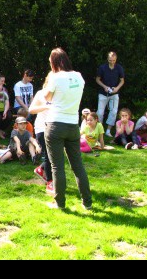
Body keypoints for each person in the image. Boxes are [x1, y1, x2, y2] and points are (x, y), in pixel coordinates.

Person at [42, 47, 92, 210]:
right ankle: (87, 203)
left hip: (55, 124)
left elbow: (46, 97)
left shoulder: (55, 78)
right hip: (72, 125)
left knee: (57, 166)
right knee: (78, 166)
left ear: (54, 62)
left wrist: (49, 82)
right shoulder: (79, 76)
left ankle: (60, 203)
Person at [29, 71, 54, 194]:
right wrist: (46, 107)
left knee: (54, 155)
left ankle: (41, 169)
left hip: (54, 128)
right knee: (49, 155)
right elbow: (31, 110)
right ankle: (50, 182)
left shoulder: (59, 95)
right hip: (41, 128)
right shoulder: (41, 94)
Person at [96, 51, 125, 137]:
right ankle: (100, 130)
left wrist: (117, 88)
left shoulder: (119, 68)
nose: (112, 62)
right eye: (110, 60)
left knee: (114, 112)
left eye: (113, 60)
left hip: (114, 93)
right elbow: (97, 79)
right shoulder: (102, 68)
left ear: (116, 59)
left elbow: (122, 81)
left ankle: (108, 130)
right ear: (107, 59)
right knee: (100, 113)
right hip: (103, 92)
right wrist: (104, 87)